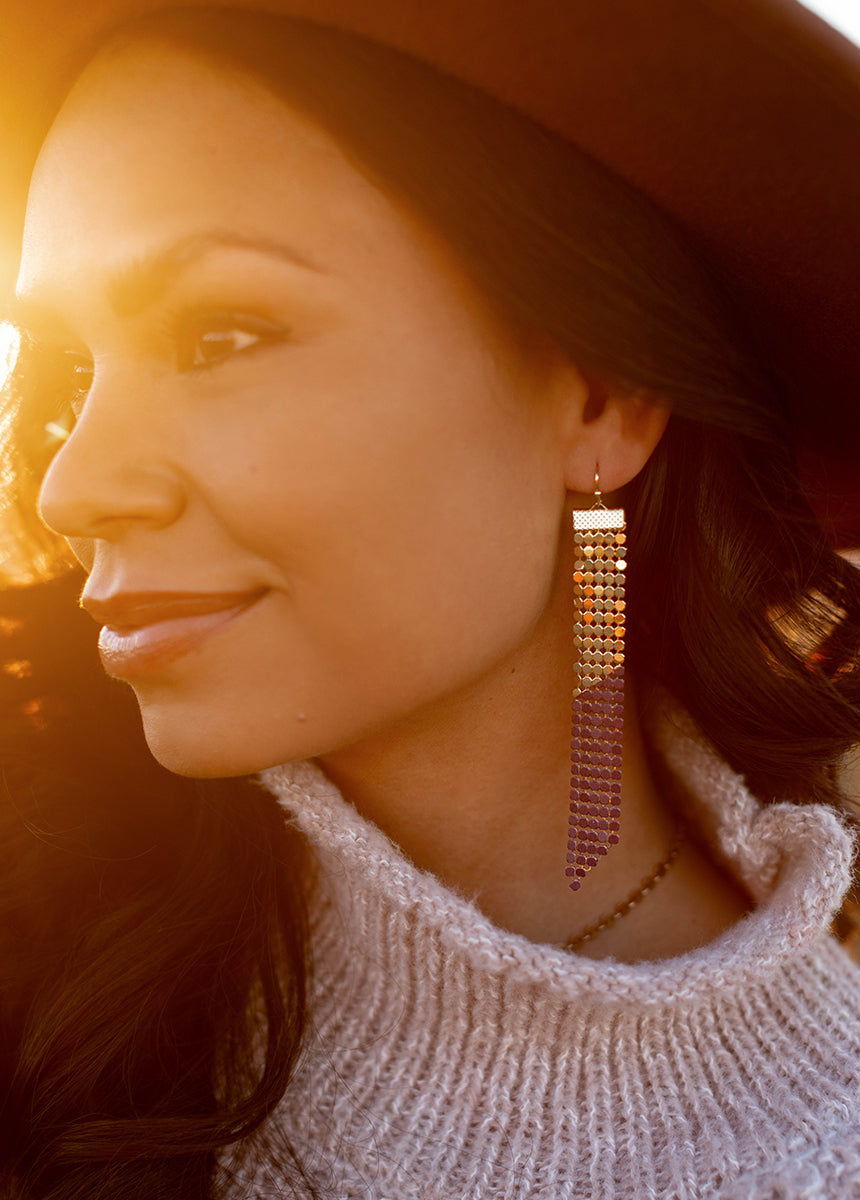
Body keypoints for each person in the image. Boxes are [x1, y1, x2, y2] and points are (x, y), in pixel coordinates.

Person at [1, 4, 859, 1198]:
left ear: (601, 400)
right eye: (70, 374)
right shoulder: (49, 948)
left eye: (220, 333)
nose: (75, 485)